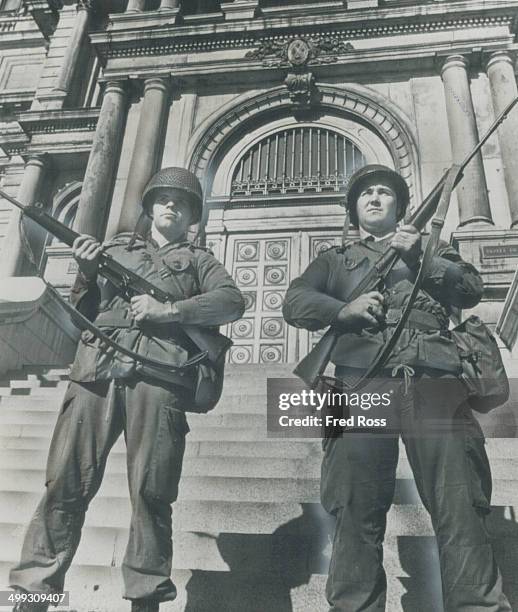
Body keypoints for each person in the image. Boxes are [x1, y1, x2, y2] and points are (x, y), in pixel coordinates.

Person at [9, 167, 246, 612]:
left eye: (181, 201)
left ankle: (146, 597)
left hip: (160, 376)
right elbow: (83, 311)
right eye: (163, 198)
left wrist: (170, 309)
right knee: (65, 482)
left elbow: (233, 301)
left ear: (192, 214)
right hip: (97, 372)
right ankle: (34, 593)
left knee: (152, 492)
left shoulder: (200, 261)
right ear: (150, 207)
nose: (170, 205)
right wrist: (85, 270)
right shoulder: (112, 249)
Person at [282, 164, 511, 611]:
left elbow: (471, 289)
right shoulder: (336, 259)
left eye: (384, 192)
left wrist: (421, 255)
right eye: (365, 193)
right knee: (355, 507)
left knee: (459, 504)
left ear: (400, 206)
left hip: (434, 383)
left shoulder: (433, 246)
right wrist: (343, 310)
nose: (374, 198)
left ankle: (478, 606)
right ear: (354, 209)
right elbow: (295, 301)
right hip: (360, 384)